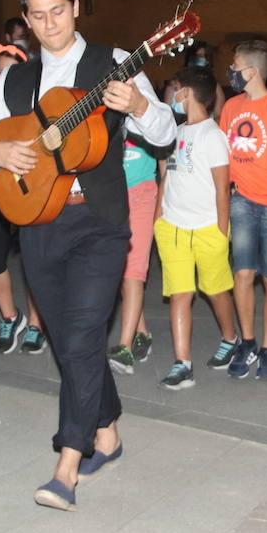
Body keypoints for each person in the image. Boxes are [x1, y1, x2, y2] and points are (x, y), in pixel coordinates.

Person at [0, 0, 175, 512]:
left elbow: (167, 133)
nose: (49, 22)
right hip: (36, 220)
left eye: (58, 9)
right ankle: (108, 433)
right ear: (26, 20)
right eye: (37, 13)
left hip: (100, 223)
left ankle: (66, 464)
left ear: (75, 8)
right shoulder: (14, 82)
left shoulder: (114, 63)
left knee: (79, 338)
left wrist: (141, 108)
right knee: (68, 339)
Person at [152, 66, 239, 389]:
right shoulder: (176, 132)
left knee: (215, 291)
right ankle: (182, 363)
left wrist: (220, 230)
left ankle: (230, 338)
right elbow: (168, 175)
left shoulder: (213, 136)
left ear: (187, 92)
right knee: (180, 294)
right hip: (173, 226)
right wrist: (158, 216)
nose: (173, 95)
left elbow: (222, 187)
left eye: (176, 89)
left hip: (206, 229)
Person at [219, 40, 267, 381]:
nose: (231, 71)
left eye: (235, 65)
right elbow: (221, 158)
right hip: (241, 200)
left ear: (250, 71)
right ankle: (247, 342)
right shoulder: (231, 107)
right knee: (243, 274)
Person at [0, 26, 46, 355]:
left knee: (33, 259)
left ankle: (36, 322)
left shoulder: (37, 100)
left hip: (33, 187)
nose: (3, 76)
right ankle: (10, 316)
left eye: (10, 70)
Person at [105, 135, 160, 375]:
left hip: (141, 193)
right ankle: (142, 333)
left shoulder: (148, 109)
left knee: (134, 272)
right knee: (118, 270)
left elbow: (165, 162)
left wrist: (161, 209)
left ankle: (124, 348)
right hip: (111, 195)